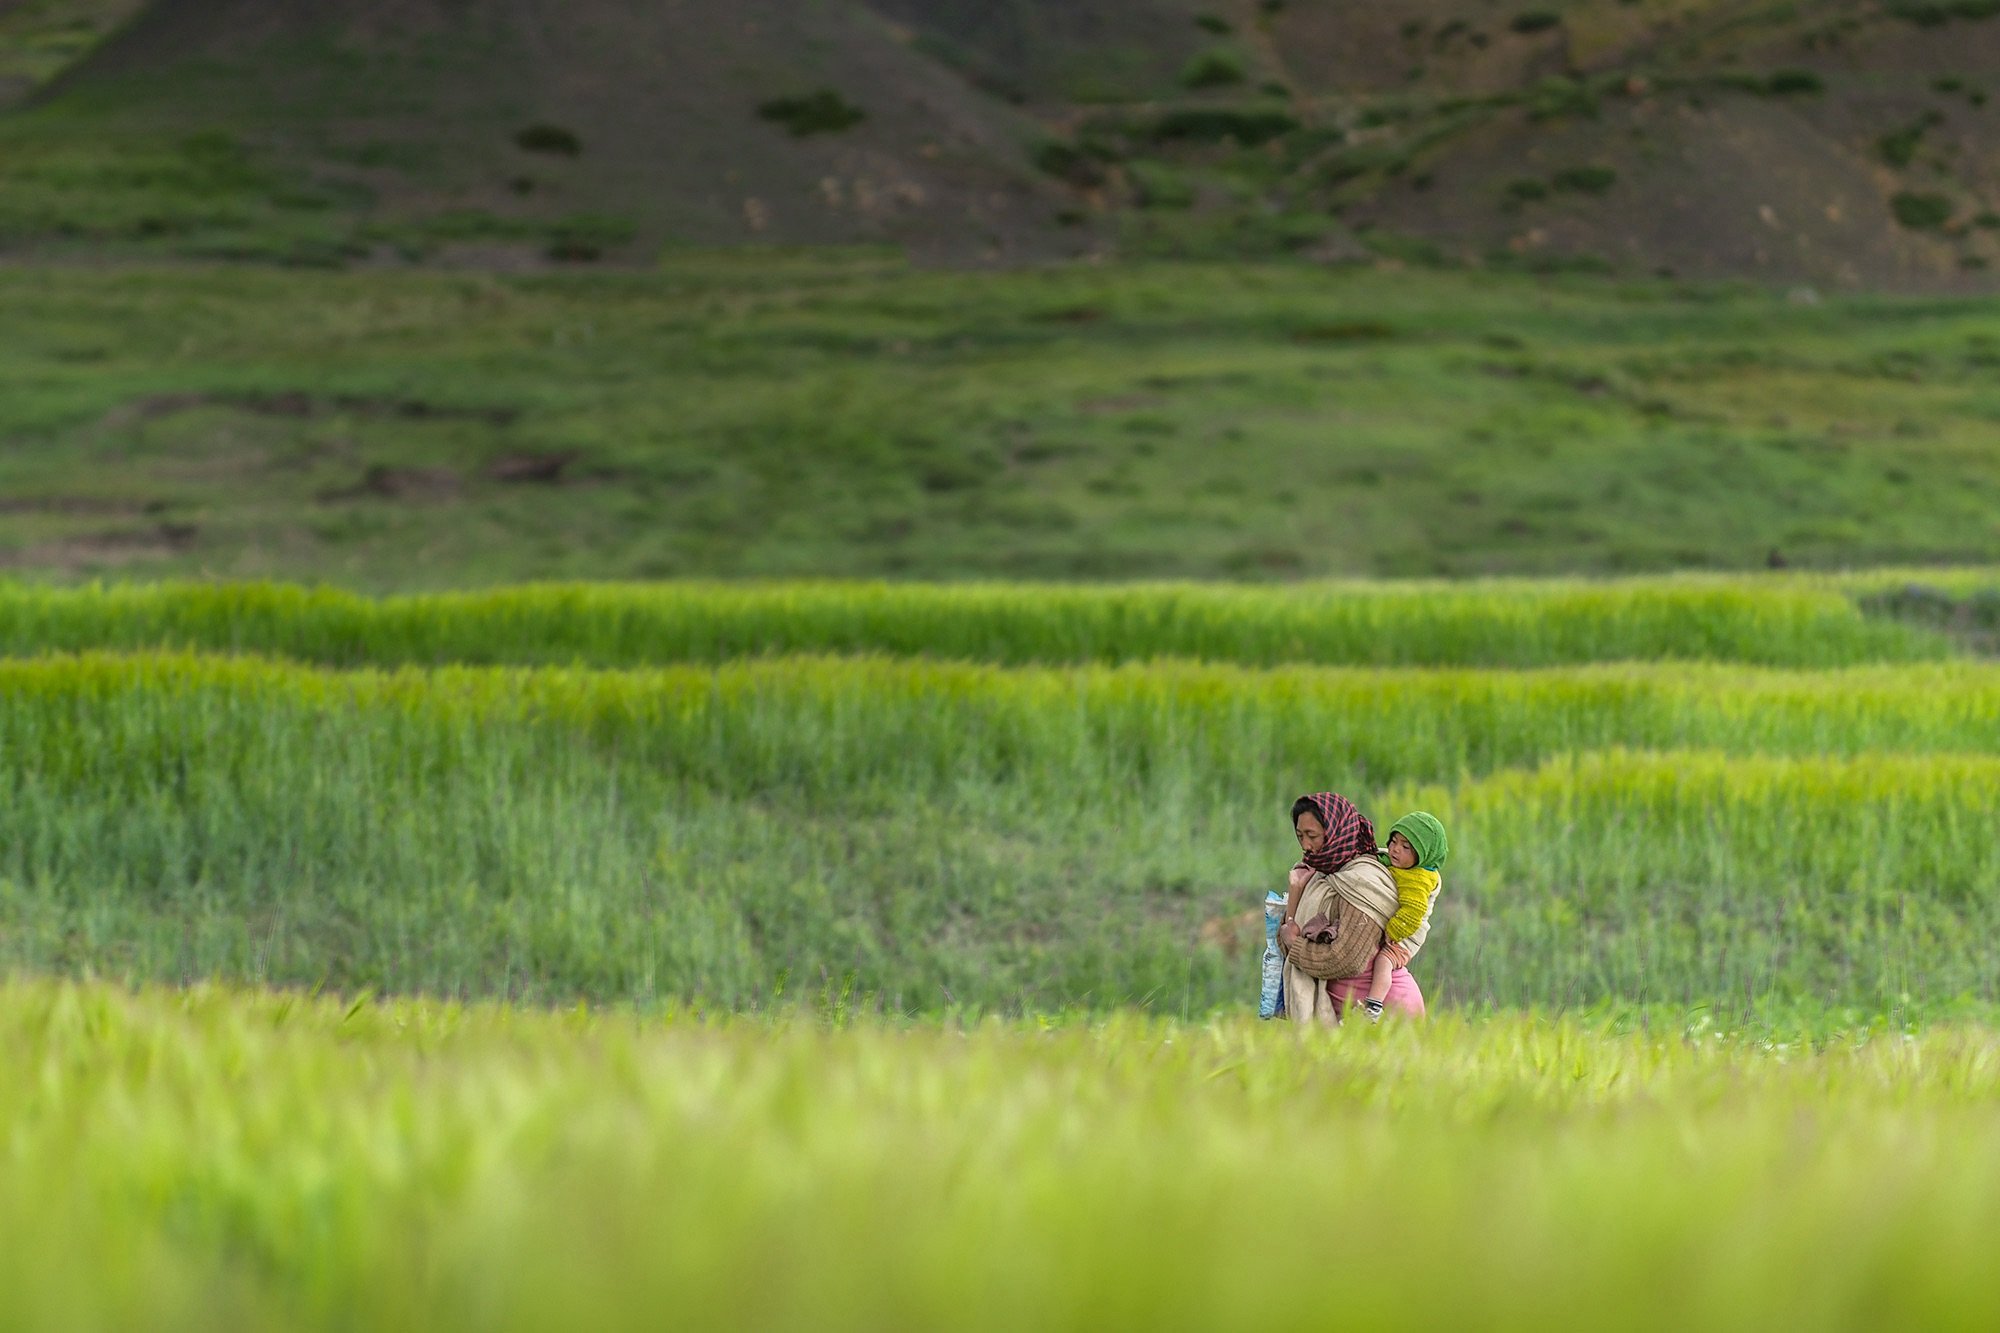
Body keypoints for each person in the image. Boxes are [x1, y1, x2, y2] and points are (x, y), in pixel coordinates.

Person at [1276, 792, 1418, 1025]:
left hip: (1384, 1015)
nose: (1306, 845)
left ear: (1335, 832)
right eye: (1300, 835)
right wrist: (1295, 892)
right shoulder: (1317, 875)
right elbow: (1284, 939)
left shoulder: (1362, 883)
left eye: (1312, 835)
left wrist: (1295, 943)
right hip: (1344, 1016)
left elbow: (1346, 960)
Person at [1360, 812, 1448, 1022]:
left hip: (1405, 937)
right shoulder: (1400, 863)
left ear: (1423, 854)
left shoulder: (1418, 879)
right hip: (1400, 927)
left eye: (1405, 847)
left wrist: (1393, 932)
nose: (1395, 849)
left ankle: (1373, 1006)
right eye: (1393, 841)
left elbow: (1413, 911)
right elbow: (1380, 857)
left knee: (1384, 961)